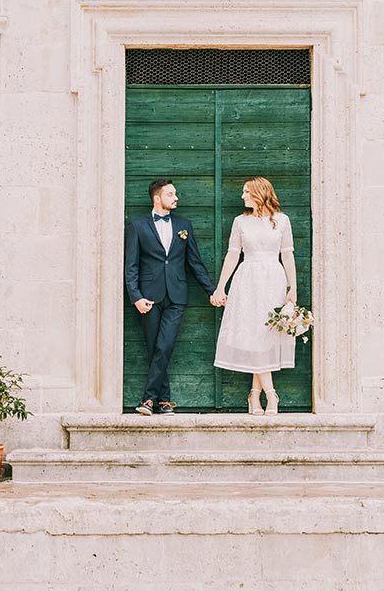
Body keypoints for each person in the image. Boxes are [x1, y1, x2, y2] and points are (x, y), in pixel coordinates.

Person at [124, 179, 217, 415]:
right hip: (148, 297)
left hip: (176, 295)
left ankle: (148, 399)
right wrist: (135, 296)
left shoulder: (184, 225)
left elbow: (194, 263)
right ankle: (164, 401)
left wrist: (212, 291)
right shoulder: (138, 226)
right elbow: (131, 265)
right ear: (157, 198)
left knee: (164, 346)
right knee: (154, 347)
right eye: (171, 194)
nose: (176, 198)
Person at [210, 177, 297, 415]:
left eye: (246, 192)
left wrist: (293, 289)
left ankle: (255, 395)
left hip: (273, 279)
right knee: (254, 336)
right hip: (247, 280)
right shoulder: (240, 222)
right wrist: (220, 287)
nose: (242, 196)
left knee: (265, 336)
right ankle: (270, 395)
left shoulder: (282, 221)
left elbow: (287, 256)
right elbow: (232, 255)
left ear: (259, 193)